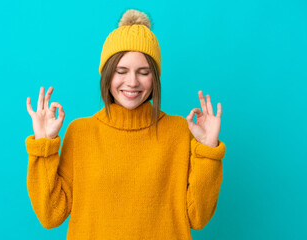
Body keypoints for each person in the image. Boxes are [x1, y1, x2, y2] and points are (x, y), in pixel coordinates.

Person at [25, 9, 226, 240]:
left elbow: (198, 218)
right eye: (121, 71)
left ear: (155, 79)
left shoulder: (180, 131)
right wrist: (43, 145)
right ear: (107, 75)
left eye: (144, 72)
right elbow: (51, 215)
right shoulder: (81, 133)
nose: (132, 82)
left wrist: (208, 150)